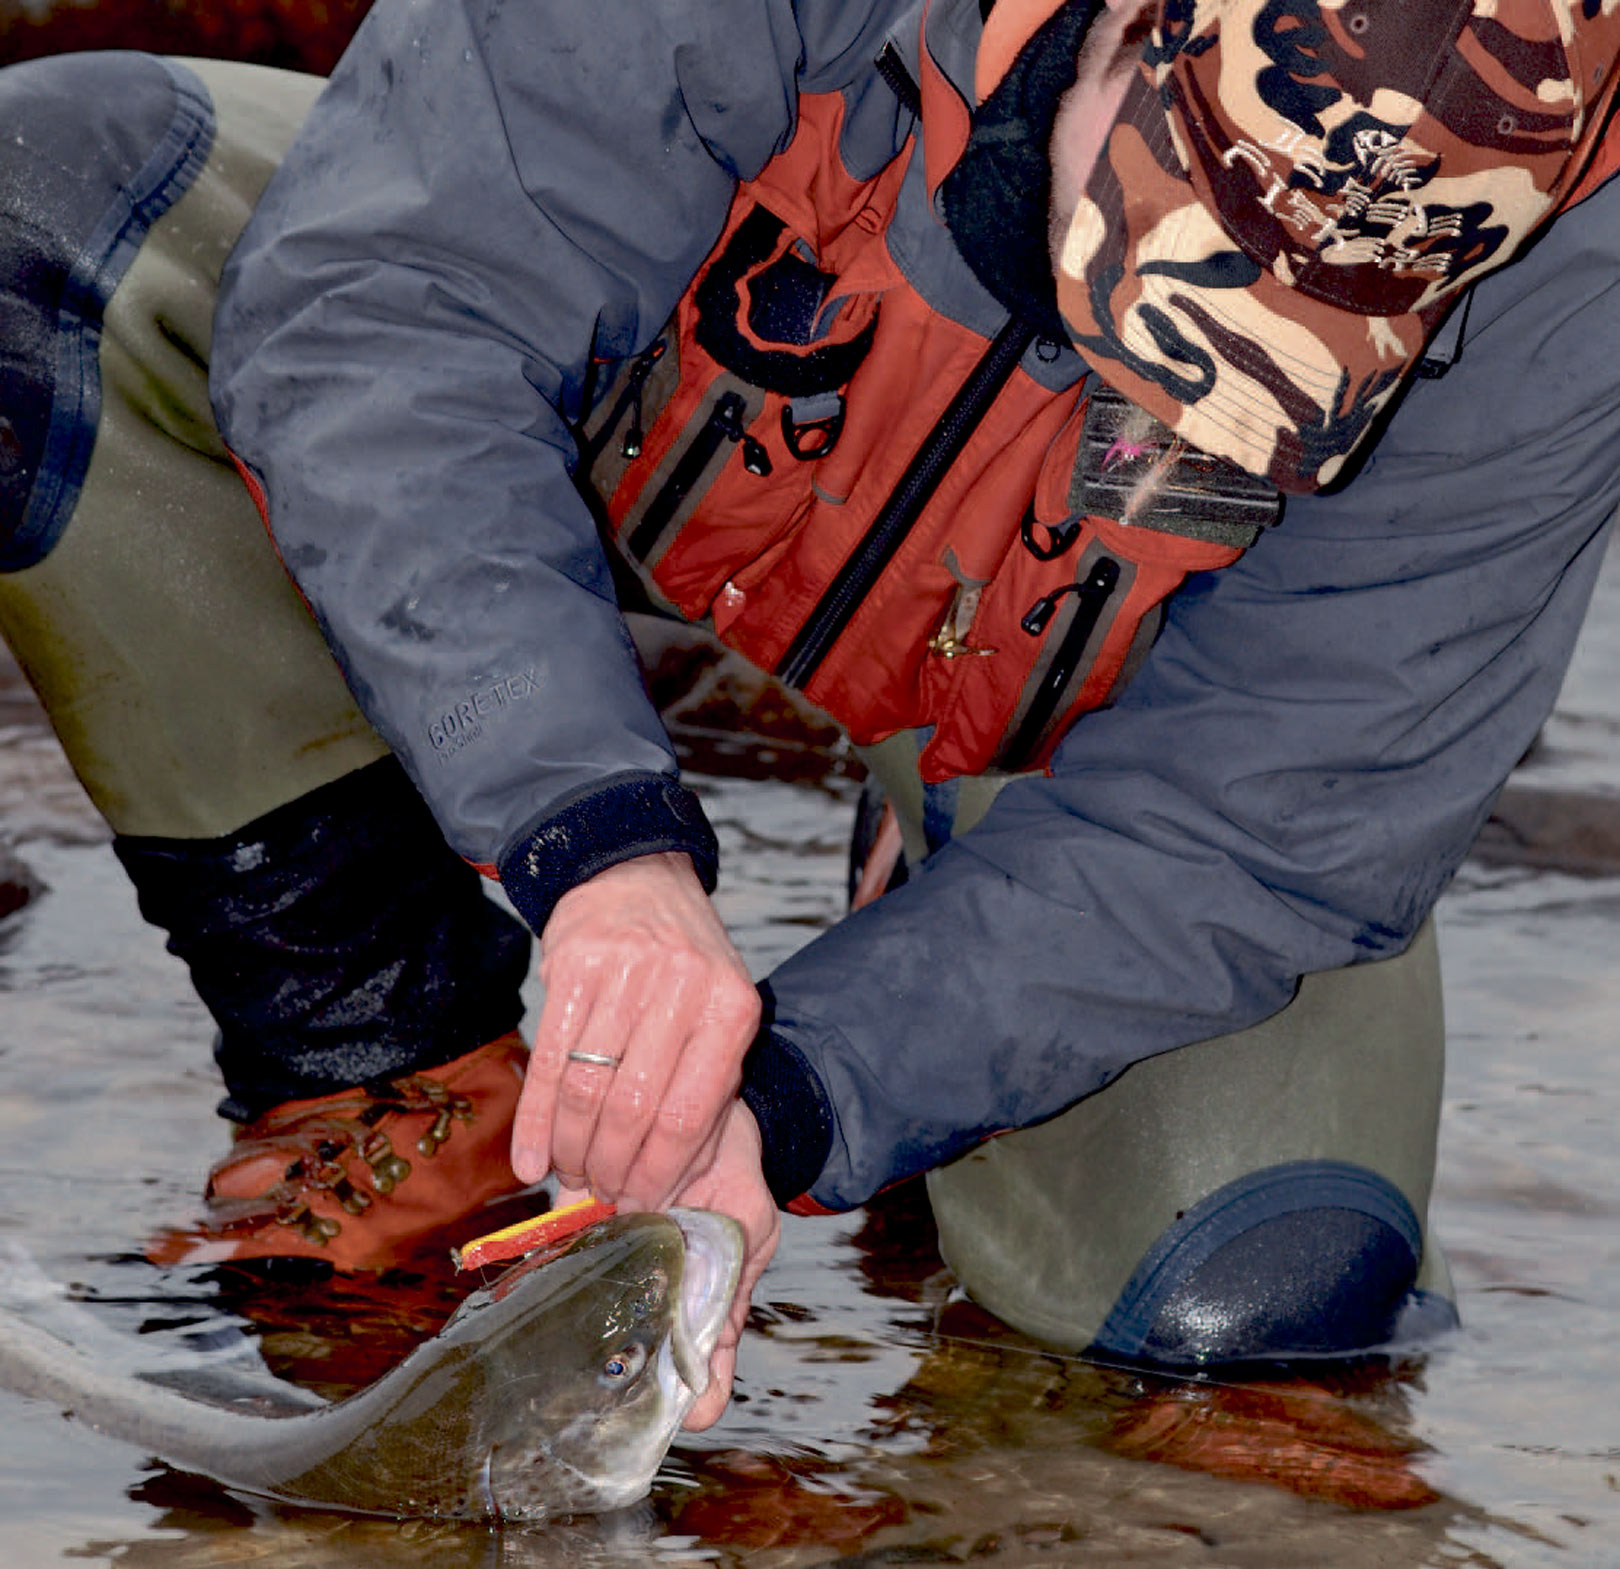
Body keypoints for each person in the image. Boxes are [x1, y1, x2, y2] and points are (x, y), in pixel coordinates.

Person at [5, 0, 1620, 1434]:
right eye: (1175, 254)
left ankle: (928, 893)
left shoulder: (1582, 248)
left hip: (1075, 696)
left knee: (1251, 1317)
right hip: (631, 417)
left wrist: (794, 1095)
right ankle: (404, 1068)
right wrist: (597, 848)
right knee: (47, 218)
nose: (1165, 384)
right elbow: (394, 302)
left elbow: (1266, 816)